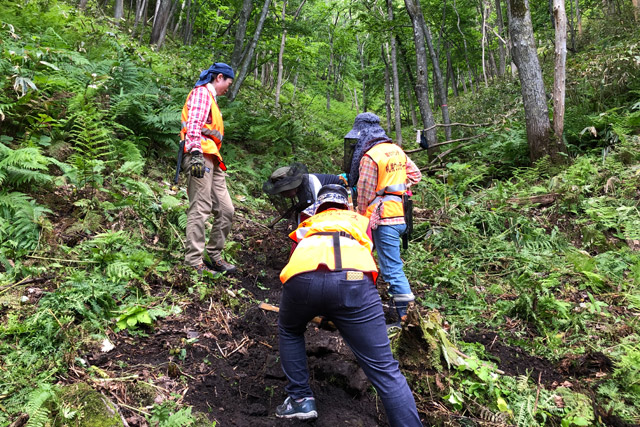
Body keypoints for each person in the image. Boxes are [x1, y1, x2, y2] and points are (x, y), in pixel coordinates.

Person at [275, 184, 422, 426]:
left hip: (303, 276)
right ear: (346, 204)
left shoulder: (307, 223)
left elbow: (296, 257)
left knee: (290, 330)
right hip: (353, 279)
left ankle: (300, 399)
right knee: (385, 369)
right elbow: (367, 254)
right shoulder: (361, 220)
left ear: (318, 206)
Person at [345, 112, 422, 323]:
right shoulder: (395, 150)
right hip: (399, 217)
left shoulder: (371, 156)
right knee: (381, 263)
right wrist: (395, 190)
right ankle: (383, 306)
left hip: (382, 220)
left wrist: (359, 220)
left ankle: (406, 318)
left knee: (391, 270)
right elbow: (416, 175)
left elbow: (364, 193)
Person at [180, 62, 237, 274]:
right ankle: (194, 262)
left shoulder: (212, 98)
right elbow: (194, 124)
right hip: (199, 156)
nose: (227, 88)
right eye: (228, 83)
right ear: (219, 77)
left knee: (226, 209)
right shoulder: (202, 93)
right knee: (201, 207)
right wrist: (195, 153)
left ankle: (213, 256)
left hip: (212, 159)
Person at [262, 162, 347, 224]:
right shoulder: (301, 188)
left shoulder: (311, 184)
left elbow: (317, 209)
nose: (285, 195)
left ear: (294, 185)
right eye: (282, 192)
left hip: (338, 190)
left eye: (286, 191)